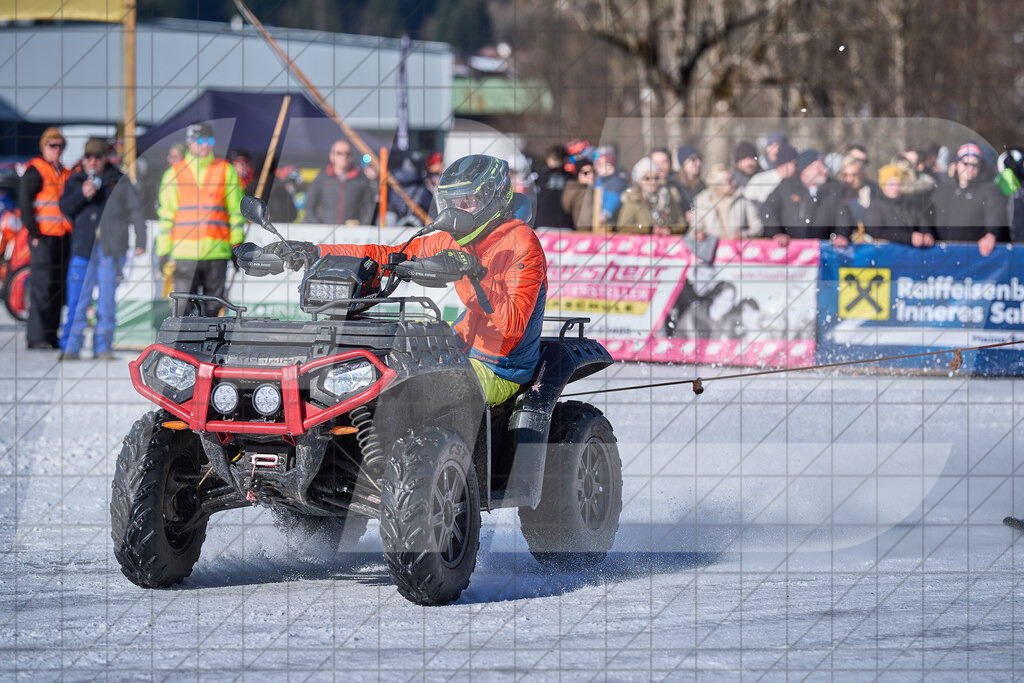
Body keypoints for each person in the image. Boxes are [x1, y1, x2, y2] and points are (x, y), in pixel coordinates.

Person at [258, 155, 547, 406]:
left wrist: (475, 274)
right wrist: (316, 251)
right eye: (451, 203)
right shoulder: (457, 236)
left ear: (493, 196)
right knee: (376, 367)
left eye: (466, 202)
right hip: (461, 345)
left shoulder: (522, 243)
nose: (455, 212)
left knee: (417, 393)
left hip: (499, 367)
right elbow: (390, 255)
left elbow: (512, 325)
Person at [57, 138, 147, 360]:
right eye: (89, 156)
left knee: (106, 303)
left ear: (106, 157)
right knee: (78, 300)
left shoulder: (118, 180)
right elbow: (65, 207)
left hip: (111, 250)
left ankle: (103, 347)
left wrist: (141, 241)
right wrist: (82, 194)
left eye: (97, 156)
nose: (93, 161)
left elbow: (136, 211)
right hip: (83, 249)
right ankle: (71, 347)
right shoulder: (76, 179)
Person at [156, 122, 245, 318]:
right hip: (185, 254)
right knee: (183, 311)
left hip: (218, 252)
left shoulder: (225, 170)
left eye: (209, 140)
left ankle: (211, 349)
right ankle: (182, 349)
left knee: (214, 311)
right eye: (200, 141)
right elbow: (166, 217)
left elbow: (236, 213)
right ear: (190, 143)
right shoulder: (173, 173)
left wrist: (237, 245)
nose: (205, 145)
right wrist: (163, 252)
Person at [19, 127, 72, 349]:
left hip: (63, 237)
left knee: (58, 289)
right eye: (52, 145)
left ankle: (51, 335)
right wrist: (34, 232)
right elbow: (25, 203)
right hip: (43, 238)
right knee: (42, 287)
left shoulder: (65, 172)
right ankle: (37, 337)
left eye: (60, 146)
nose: (57, 150)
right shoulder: (36, 170)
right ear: (44, 147)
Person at [926, 142, 1009, 257]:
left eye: (974, 165)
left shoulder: (989, 190)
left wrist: (991, 235)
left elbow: (995, 215)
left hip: (973, 256)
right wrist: (924, 233)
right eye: (966, 163)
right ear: (957, 164)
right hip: (940, 253)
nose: (970, 168)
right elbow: (925, 215)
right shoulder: (942, 190)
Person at [762, 149, 853, 247]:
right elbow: (768, 209)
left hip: (822, 251)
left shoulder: (835, 188)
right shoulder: (786, 186)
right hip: (789, 249)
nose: (824, 170)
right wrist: (776, 233)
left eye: (824, 166)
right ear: (805, 168)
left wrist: (842, 235)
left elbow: (843, 216)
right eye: (818, 167)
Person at [304, 139, 375, 225]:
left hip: (352, 235)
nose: (344, 156)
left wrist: (362, 227)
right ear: (331, 156)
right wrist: (318, 226)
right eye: (339, 153)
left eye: (348, 153)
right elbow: (309, 206)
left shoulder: (361, 180)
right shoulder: (322, 178)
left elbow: (369, 208)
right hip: (326, 232)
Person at [863, 164, 933, 247]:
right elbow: (876, 232)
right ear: (883, 185)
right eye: (891, 184)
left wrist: (927, 235)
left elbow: (922, 223)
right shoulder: (875, 205)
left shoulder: (909, 203)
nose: (895, 188)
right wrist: (909, 238)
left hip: (912, 253)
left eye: (898, 184)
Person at [616, 157, 686, 235]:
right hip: (641, 245)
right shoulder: (633, 200)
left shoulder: (669, 197)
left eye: (656, 178)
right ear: (639, 181)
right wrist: (649, 229)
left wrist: (669, 229)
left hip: (667, 244)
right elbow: (622, 227)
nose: (652, 182)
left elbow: (681, 224)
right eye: (647, 178)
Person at [690, 164, 763, 240]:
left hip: (736, 248)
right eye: (729, 180)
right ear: (717, 184)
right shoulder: (703, 202)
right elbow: (694, 228)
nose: (734, 183)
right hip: (710, 248)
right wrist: (698, 233)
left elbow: (758, 227)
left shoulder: (743, 201)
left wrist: (745, 235)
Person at [533, 144, 572, 229]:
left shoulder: (540, 176)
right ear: (565, 160)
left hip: (542, 223)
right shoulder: (571, 178)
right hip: (566, 224)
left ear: (548, 160)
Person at [592, 146, 629, 227]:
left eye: (605, 166)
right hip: (596, 212)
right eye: (599, 166)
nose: (602, 169)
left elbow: (614, 198)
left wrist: (606, 212)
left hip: (607, 217)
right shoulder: (599, 179)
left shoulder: (615, 182)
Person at [674, 144, 705, 223]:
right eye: (693, 159)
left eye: (699, 158)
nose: (698, 163)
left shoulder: (703, 187)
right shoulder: (674, 186)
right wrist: (683, 215)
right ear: (683, 162)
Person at [561, 159, 596, 230]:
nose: (591, 175)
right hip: (582, 232)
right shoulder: (574, 189)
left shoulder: (596, 188)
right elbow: (566, 207)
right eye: (586, 173)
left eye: (593, 172)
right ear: (578, 175)